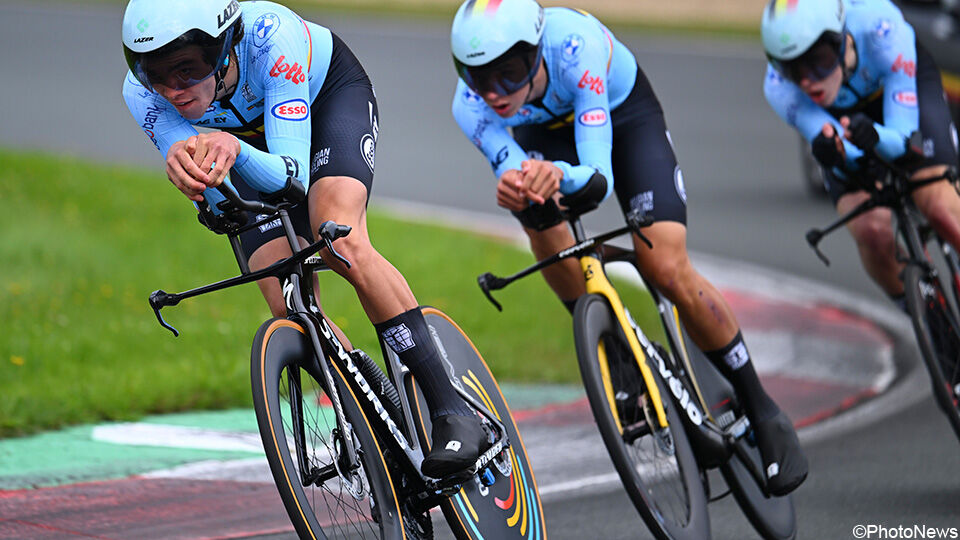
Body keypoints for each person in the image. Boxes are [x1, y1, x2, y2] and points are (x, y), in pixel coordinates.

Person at [450, 0, 807, 495]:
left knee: (666, 266)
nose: (493, 93)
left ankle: (762, 407)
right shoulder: (471, 105)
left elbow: (597, 179)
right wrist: (519, 182)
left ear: (535, 54)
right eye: (477, 77)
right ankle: (612, 349)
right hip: (546, 134)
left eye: (507, 74)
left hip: (621, 119)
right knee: (534, 210)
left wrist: (558, 175)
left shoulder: (577, 48)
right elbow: (514, 169)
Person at [121, 0, 487, 478]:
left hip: (324, 104)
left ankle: (450, 408)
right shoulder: (140, 94)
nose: (173, 90)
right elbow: (213, 197)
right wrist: (203, 193)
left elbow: (291, 179)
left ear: (225, 44)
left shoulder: (273, 38)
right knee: (285, 299)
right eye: (157, 74)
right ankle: (380, 428)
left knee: (338, 237)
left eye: (188, 69)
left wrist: (231, 148)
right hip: (246, 146)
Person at [762, 0, 960, 315]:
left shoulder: (881, 29)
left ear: (842, 41)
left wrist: (876, 137)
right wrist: (840, 152)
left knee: (939, 206)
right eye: (792, 69)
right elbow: (848, 157)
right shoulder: (779, 88)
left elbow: (904, 140)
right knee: (871, 232)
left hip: (898, 97)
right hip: (843, 120)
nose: (808, 80)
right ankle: (931, 319)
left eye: (818, 62)